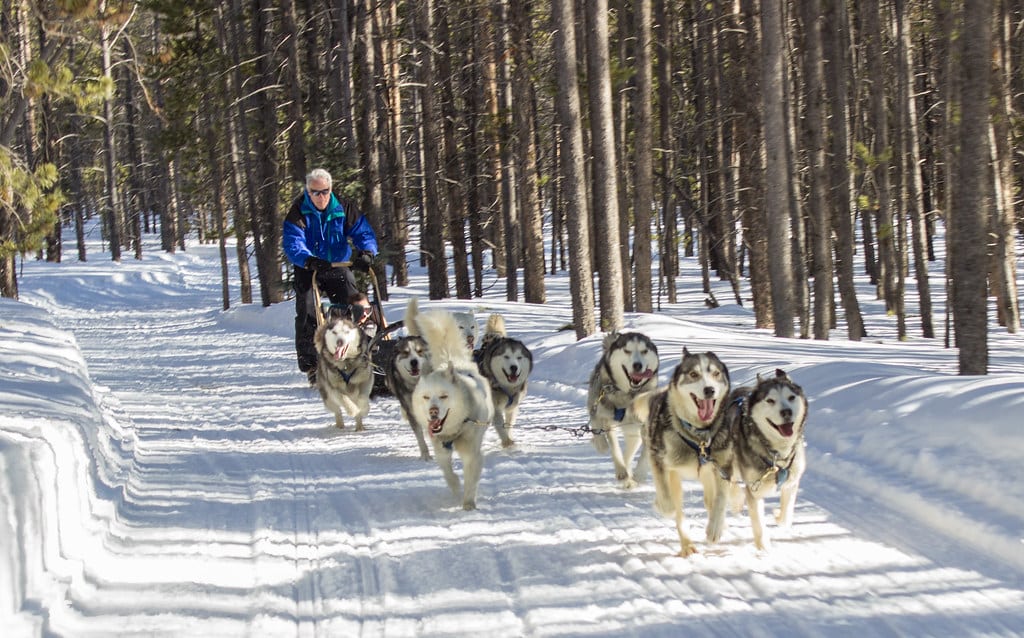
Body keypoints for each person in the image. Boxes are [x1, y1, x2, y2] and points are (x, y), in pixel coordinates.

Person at [282, 168, 379, 384]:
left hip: (337, 264)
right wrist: (308, 259)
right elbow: (292, 242)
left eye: (325, 191)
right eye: (315, 192)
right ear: (308, 192)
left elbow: (363, 232)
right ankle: (312, 365)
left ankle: (361, 353)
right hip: (309, 266)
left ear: (331, 189)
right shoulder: (298, 211)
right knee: (308, 309)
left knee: (355, 305)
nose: (321, 197)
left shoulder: (344, 207)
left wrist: (367, 252)